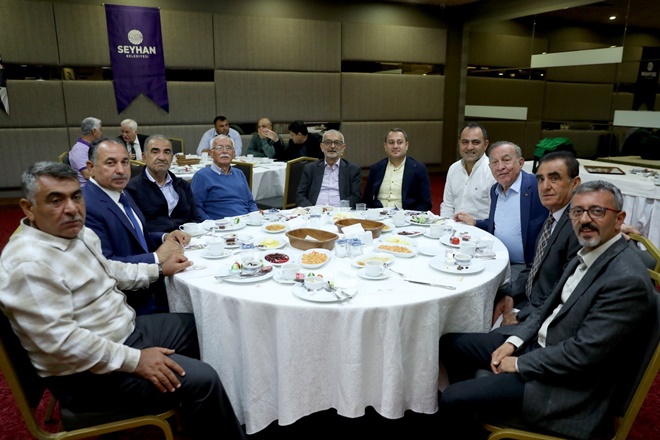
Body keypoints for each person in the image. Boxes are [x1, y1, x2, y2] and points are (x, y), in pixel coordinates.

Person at [0, 162, 246, 440]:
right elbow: (62, 344)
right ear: (28, 208)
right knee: (205, 379)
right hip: (87, 376)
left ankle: (203, 420)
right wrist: (137, 360)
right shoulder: (28, 264)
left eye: (76, 196)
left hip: (122, 331)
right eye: (55, 200)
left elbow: (110, 269)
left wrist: (158, 269)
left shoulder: (76, 233)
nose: (71, 209)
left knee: (206, 327)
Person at [438, 180, 654, 440]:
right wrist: (514, 342)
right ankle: (475, 410)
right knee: (450, 344)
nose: (585, 219)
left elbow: (582, 355)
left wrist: (519, 363)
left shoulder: (626, 279)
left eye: (597, 211)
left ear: (619, 219)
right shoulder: (589, 250)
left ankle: (471, 409)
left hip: (566, 383)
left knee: (452, 397)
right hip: (541, 346)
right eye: (577, 211)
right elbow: (546, 309)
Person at [82, 138, 190, 315]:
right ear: (91, 167)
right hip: (129, 305)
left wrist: (165, 237)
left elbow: (137, 236)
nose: (120, 170)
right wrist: (156, 258)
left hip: (151, 288)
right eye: (111, 163)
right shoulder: (88, 206)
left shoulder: (120, 193)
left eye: (125, 162)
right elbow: (105, 266)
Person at [492, 151, 581, 327]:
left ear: (575, 183)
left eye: (554, 178)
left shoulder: (578, 228)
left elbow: (565, 291)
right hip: (526, 299)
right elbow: (535, 265)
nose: (545, 186)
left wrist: (521, 317)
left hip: (540, 319)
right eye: (540, 179)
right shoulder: (552, 218)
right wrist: (511, 294)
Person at [455, 141, 548, 289]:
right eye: (495, 162)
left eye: (506, 160)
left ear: (521, 163)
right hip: (496, 259)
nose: (500, 167)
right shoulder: (495, 190)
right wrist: (476, 222)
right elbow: (501, 223)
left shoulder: (536, 186)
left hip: (525, 267)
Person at [125, 135, 202, 233]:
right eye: (155, 152)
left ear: (172, 158)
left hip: (187, 238)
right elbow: (135, 229)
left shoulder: (182, 185)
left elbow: (195, 219)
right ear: (144, 157)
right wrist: (164, 237)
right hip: (154, 241)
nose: (162, 157)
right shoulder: (132, 189)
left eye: (167, 152)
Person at [362, 128, 432, 212]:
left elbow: (425, 203)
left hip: (406, 217)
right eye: (391, 142)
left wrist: (408, 216)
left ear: (406, 145)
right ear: (385, 146)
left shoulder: (418, 168)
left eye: (400, 142)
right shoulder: (376, 168)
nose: (395, 146)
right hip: (378, 215)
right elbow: (366, 200)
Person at [191, 134, 258, 219]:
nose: (224, 151)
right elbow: (196, 208)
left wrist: (255, 218)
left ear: (233, 153)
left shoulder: (239, 173)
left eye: (228, 148)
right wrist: (210, 224)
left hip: (245, 221)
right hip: (219, 224)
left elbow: (250, 202)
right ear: (211, 153)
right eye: (219, 148)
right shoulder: (201, 176)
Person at [440, 122, 496, 218]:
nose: (469, 147)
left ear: (485, 145)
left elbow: (495, 213)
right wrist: (445, 224)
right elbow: (448, 205)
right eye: (465, 142)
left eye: (476, 142)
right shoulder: (454, 168)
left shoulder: (492, 171)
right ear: (459, 143)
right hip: (453, 225)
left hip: (480, 226)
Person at [295, 129, 362, 208]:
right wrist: (312, 210)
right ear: (321, 147)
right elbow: (300, 196)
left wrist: (340, 211)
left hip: (341, 212)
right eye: (328, 142)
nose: (332, 146)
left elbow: (356, 197)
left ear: (343, 148)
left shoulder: (353, 169)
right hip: (315, 212)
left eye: (337, 143)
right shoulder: (310, 169)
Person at [69, 117, 102, 187]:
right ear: (94, 131)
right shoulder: (79, 150)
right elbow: (87, 175)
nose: (101, 133)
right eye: (100, 130)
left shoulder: (90, 146)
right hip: (87, 188)